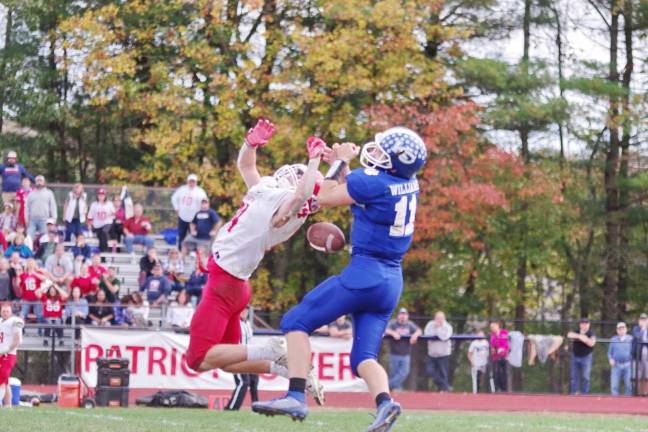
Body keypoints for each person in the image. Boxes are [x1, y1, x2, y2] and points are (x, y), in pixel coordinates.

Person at [252, 127, 427, 431]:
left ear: (396, 163)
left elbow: (327, 195)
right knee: (363, 356)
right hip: (391, 281)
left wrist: (340, 161)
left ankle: (295, 395)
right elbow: (362, 192)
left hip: (364, 273)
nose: (377, 155)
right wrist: (342, 166)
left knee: (295, 322)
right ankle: (386, 403)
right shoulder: (408, 182)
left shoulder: (374, 181)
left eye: (386, 154)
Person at [184, 119, 326, 402]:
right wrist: (250, 144)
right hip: (234, 284)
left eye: (298, 171)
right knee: (226, 359)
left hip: (226, 282)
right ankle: (290, 371)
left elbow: (300, 196)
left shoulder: (286, 204)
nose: (291, 170)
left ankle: (272, 351)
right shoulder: (268, 191)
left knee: (198, 359)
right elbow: (247, 167)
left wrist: (313, 163)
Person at [225, 307, 259, 411]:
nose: (244, 312)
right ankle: (231, 408)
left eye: (246, 310)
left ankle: (256, 407)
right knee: (243, 382)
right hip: (237, 356)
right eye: (242, 310)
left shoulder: (247, 324)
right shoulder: (234, 323)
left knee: (254, 380)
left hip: (249, 356)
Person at [384, 308, 421, 391]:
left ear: (407, 316)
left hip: (406, 354)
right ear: (398, 316)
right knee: (394, 373)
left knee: (404, 372)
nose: (403, 316)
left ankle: (387, 386)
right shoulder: (393, 323)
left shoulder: (409, 324)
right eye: (401, 314)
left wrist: (415, 335)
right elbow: (385, 329)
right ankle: (396, 390)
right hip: (394, 354)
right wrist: (393, 333)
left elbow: (419, 331)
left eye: (405, 314)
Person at [172, 174, 208, 248]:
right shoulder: (182, 189)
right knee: (182, 233)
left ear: (196, 182)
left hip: (194, 217)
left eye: (193, 181)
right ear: (188, 181)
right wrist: (176, 208)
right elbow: (174, 198)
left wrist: (202, 211)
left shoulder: (200, 191)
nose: (192, 183)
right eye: (190, 181)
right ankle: (180, 250)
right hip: (183, 216)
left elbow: (205, 202)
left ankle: (193, 251)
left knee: (194, 234)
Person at [0, 302, 23, 407]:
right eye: (3, 311)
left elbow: (17, 339)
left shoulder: (15, 321)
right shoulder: (1, 321)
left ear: (11, 312)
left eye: (7, 311)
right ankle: (8, 405)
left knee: (1, 378)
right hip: (1, 354)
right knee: (5, 381)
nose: (5, 313)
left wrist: (7, 350)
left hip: (8, 355)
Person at [423, 311, 453, 392]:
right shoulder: (430, 324)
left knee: (443, 373)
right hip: (432, 354)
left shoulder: (447, 327)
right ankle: (445, 386)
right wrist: (436, 331)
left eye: (441, 318)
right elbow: (426, 334)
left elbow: (445, 337)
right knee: (430, 371)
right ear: (434, 318)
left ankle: (443, 390)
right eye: (437, 318)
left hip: (443, 354)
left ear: (444, 318)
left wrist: (438, 329)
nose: (439, 320)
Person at [567, 317, 596, 395]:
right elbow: (569, 334)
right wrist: (580, 336)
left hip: (586, 357)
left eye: (586, 324)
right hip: (575, 356)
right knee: (574, 377)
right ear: (580, 325)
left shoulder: (591, 333)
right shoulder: (576, 331)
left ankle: (584, 395)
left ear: (589, 325)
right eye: (583, 324)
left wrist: (584, 339)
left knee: (586, 377)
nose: (584, 325)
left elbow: (592, 343)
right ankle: (573, 394)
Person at [608, 321, 633, 396]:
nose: (621, 330)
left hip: (628, 365)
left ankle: (627, 404)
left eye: (623, 328)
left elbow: (634, 352)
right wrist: (610, 359)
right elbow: (609, 352)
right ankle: (615, 404)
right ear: (617, 330)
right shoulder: (613, 339)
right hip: (616, 365)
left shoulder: (631, 339)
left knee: (629, 386)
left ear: (626, 329)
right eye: (619, 329)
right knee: (614, 386)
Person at [19, 258, 47, 323]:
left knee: (39, 315)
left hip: (36, 298)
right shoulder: (23, 275)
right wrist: (22, 298)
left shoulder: (38, 273)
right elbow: (22, 287)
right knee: (23, 314)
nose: (30, 265)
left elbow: (44, 279)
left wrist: (34, 273)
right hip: (26, 298)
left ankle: (40, 331)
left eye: (32, 264)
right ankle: (21, 330)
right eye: (29, 263)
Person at [467, 329, 489, 394]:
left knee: (483, 379)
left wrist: (487, 362)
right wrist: (472, 362)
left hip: (484, 364)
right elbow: (469, 354)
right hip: (476, 364)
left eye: (481, 335)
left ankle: (485, 392)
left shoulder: (486, 343)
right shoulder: (474, 343)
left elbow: (489, 353)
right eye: (479, 335)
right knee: (475, 379)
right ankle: (475, 393)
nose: (480, 336)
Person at [490, 320, 509, 392]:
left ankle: (505, 389)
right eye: (491, 327)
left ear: (497, 326)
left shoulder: (504, 332)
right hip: (496, 357)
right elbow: (492, 346)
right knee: (497, 372)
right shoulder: (492, 335)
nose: (492, 328)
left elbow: (507, 343)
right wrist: (493, 350)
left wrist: (504, 349)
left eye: (493, 326)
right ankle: (498, 388)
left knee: (505, 372)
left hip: (504, 356)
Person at [632, 313, 648, 395]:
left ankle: (645, 393)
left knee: (646, 376)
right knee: (636, 376)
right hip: (637, 356)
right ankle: (636, 393)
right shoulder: (636, 329)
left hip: (647, 356)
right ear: (639, 321)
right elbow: (638, 337)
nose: (643, 322)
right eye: (642, 320)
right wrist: (643, 330)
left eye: (645, 320)